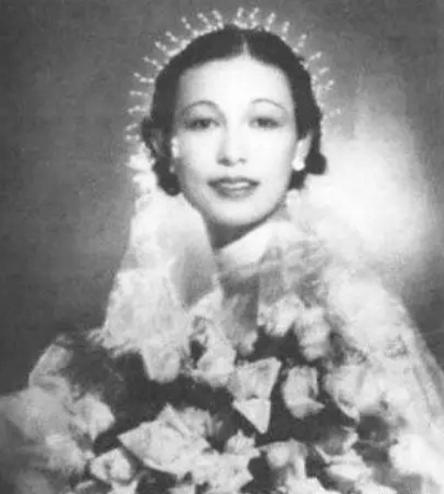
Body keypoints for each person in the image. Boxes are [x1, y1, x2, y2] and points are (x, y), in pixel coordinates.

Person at [1, 19, 444, 494]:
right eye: (203, 123)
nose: (233, 152)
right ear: (164, 145)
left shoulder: (341, 307)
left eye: (264, 121)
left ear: (302, 143)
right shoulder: (181, 315)